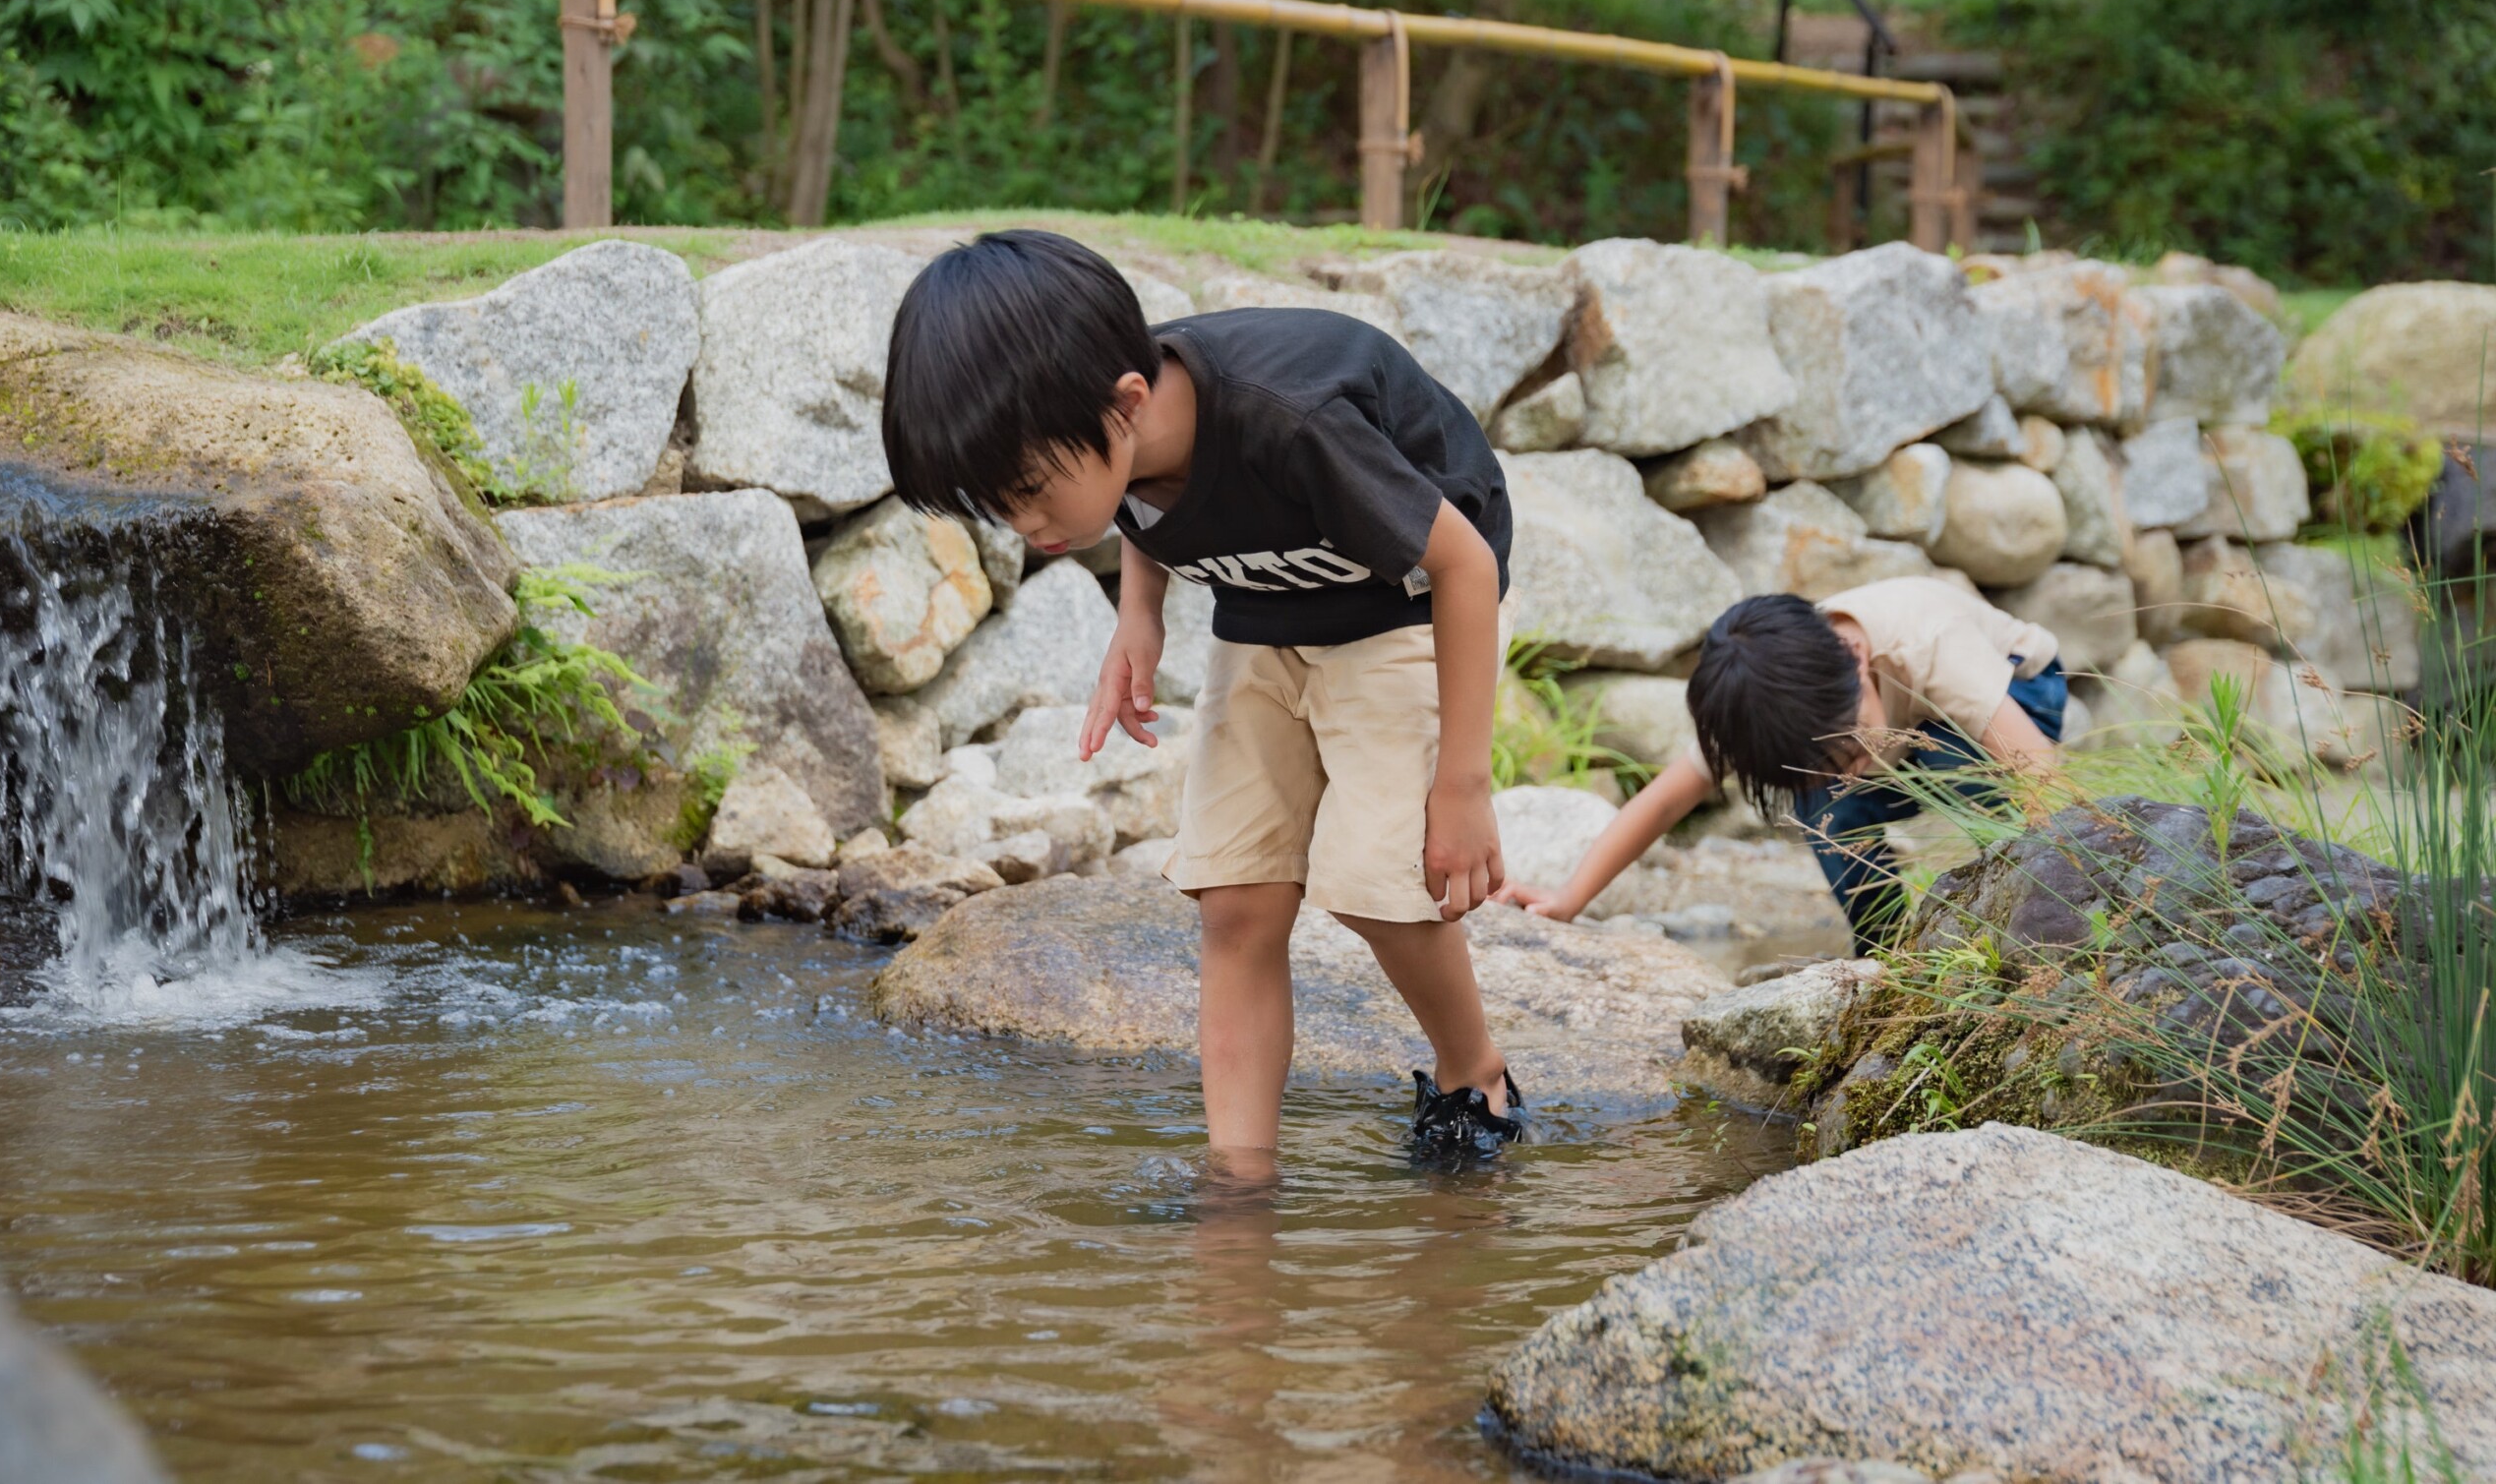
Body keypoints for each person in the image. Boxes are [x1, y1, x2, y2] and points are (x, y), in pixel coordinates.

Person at [879, 229, 1522, 1166]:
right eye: (996, 505)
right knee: (1234, 896)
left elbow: (1464, 563)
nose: (1022, 525)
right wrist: (1138, 616)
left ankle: (1477, 1076)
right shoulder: (1115, 421)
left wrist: (1463, 783)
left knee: (1379, 884)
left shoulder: (1291, 419)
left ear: (1127, 405)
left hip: (1404, 605)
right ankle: (1239, 1180)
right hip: (1265, 608)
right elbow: (1142, 494)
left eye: (1025, 491)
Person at [1495, 578, 2066, 949]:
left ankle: (2029, 915)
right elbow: (1667, 799)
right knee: (1819, 802)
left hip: (2018, 694)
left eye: (1849, 749)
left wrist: (2074, 887)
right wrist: (1568, 899)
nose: (1847, 773)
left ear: (1857, 657)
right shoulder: (1765, 707)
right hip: (1903, 739)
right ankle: (1893, 952)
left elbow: (2038, 774)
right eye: (1833, 762)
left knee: (1973, 778)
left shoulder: (1930, 643)